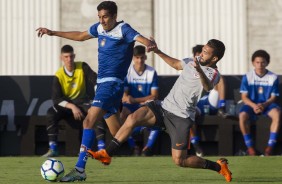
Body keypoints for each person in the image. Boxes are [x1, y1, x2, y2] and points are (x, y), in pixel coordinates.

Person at [36, 1, 156, 182]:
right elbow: (80, 35)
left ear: (114, 16)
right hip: (104, 86)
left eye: (105, 17)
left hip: (111, 85)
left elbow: (142, 39)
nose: (102, 20)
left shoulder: (124, 29)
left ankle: (79, 169)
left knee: (88, 121)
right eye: (99, 17)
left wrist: (149, 43)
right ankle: (154, 123)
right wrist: (53, 32)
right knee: (118, 133)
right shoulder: (99, 28)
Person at [88, 39, 232, 182]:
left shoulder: (214, 73)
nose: (201, 54)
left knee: (179, 160)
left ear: (214, 58)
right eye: (202, 50)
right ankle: (107, 153)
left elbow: (207, 87)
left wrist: (199, 70)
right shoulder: (190, 61)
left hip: (181, 117)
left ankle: (219, 167)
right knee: (132, 118)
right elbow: (176, 64)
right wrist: (157, 51)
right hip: (163, 107)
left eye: (206, 53)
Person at [42, 45, 97, 157]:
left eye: (71, 56)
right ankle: (53, 148)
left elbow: (95, 80)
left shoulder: (82, 66)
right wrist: (72, 107)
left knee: (95, 111)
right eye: (66, 57)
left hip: (82, 102)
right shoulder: (59, 74)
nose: (69, 60)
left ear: (74, 56)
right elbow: (56, 99)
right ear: (61, 58)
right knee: (50, 113)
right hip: (67, 105)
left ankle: (88, 149)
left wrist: (98, 96)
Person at [189, 44, 229, 157]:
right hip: (197, 104)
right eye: (198, 56)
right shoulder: (189, 69)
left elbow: (211, 84)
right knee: (188, 113)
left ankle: (222, 107)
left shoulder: (212, 70)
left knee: (221, 79)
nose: (200, 58)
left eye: (203, 54)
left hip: (209, 101)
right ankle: (196, 144)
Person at [239, 50, 280, 156]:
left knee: (277, 114)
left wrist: (263, 105)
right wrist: (254, 106)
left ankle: (270, 147)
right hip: (251, 105)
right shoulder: (247, 77)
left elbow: (273, 97)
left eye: (263, 62)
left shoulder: (273, 77)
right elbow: (244, 97)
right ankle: (250, 148)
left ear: (267, 63)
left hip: (267, 105)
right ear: (253, 63)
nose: (260, 65)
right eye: (257, 62)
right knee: (242, 116)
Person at [121, 45, 159, 156]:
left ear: (145, 57)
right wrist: (127, 97)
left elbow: (155, 96)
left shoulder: (151, 72)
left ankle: (147, 148)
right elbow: (124, 96)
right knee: (122, 114)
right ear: (133, 58)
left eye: (142, 57)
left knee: (159, 115)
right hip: (131, 106)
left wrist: (135, 100)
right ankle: (133, 147)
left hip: (146, 105)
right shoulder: (128, 71)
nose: (140, 60)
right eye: (137, 58)